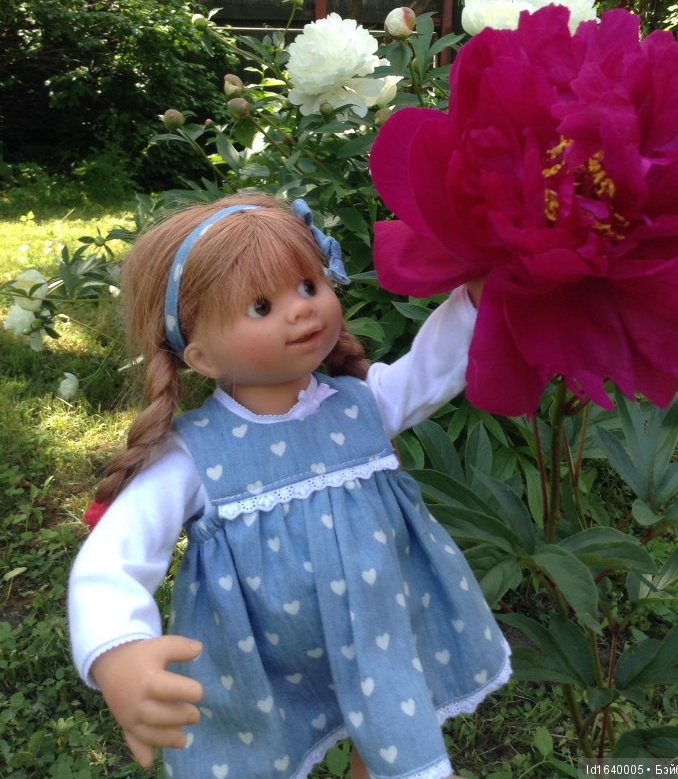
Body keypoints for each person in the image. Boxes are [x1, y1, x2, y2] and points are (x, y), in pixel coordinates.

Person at [68, 193, 511, 779]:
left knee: (389, 737)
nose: (302, 309)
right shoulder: (195, 455)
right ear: (201, 357)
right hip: (265, 660)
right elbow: (114, 559)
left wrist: (477, 296)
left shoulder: (361, 404)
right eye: (261, 306)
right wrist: (119, 649)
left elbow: (431, 370)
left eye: (308, 285)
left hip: (377, 630)